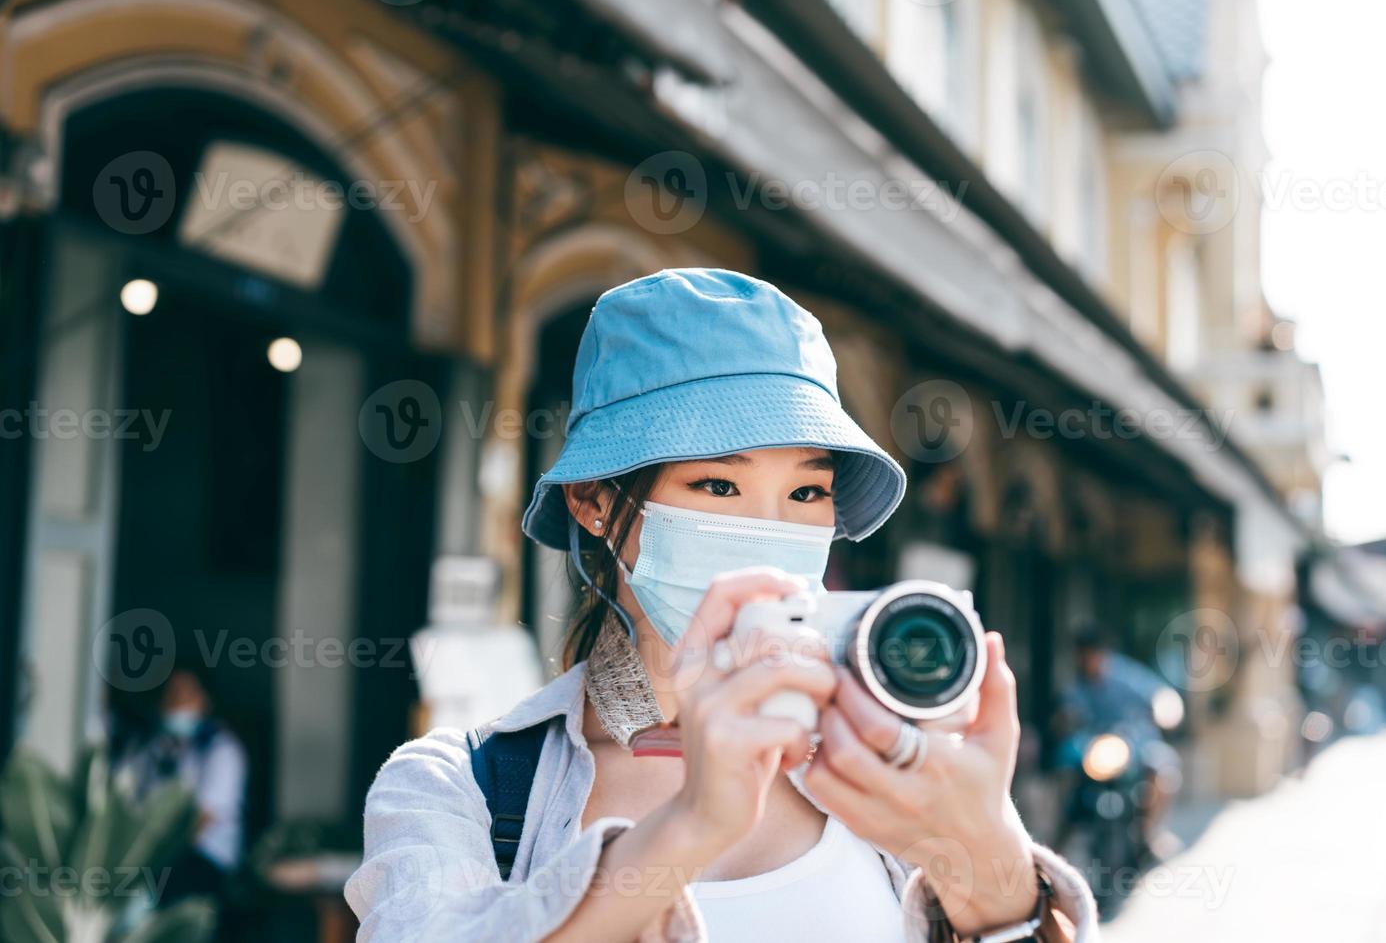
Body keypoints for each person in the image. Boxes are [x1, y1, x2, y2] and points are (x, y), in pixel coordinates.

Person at [346, 269, 1098, 941]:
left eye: (807, 492)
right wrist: (693, 824)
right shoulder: (461, 787)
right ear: (594, 503)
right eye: (717, 486)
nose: (770, 533)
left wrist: (991, 870)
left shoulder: (890, 766)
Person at [113, 663, 247, 904]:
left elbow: (201, 821)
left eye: (183, 694)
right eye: (169, 694)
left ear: (204, 700)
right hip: (143, 852)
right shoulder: (147, 744)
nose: (174, 702)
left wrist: (154, 855)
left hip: (200, 858)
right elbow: (119, 795)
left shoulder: (221, 750)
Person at [1054, 625, 1182, 855]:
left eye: (1091, 653)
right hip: (1092, 748)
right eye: (1082, 654)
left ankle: (1149, 832)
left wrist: (1165, 710)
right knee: (1065, 766)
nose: (1087, 660)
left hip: (1132, 746)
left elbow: (1160, 695)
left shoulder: (1125, 675)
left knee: (1162, 769)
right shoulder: (1075, 685)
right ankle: (1059, 841)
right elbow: (1067, 714)